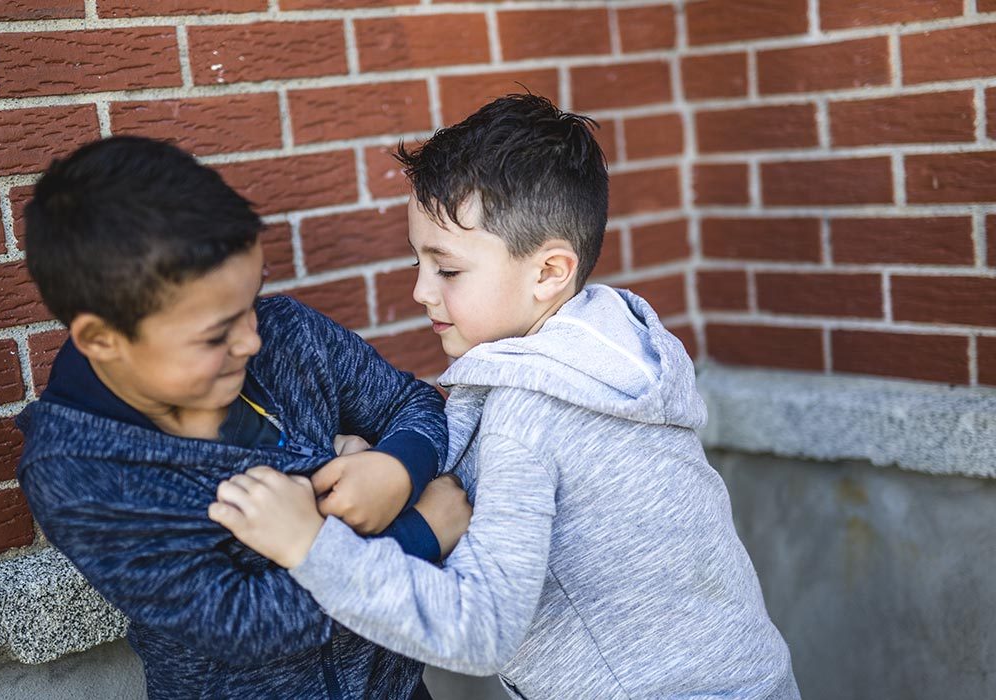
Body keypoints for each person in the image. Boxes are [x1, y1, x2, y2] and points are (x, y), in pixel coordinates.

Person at [211, 94, 800, 699]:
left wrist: (312, 547)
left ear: (548, 272)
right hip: (750, 675)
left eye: (448, 270)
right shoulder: (613, 350)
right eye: (418, 261)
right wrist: (382, 456)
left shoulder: (528, 410)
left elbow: (481, 629)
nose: (419, 291)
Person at [15, 136, 468, 700]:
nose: (252, 339)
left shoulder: (288, 335)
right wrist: (420, 532)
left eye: (252, 299)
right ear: (102, 339)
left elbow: (413, 404)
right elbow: (244, 623)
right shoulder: (80, 468)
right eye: (215, 334)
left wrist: (396, 468)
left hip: (396, 686)